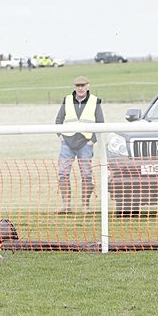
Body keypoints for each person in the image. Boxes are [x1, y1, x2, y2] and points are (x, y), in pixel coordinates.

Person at [55, 76, 105, 213]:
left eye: (83, 85)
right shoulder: (67, 100)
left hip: (85, 143)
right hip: (67, 143)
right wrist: (61, 138)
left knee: (87, 175)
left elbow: (101, 123)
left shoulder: (95, 101)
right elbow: (58, 120)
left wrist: (92, 141)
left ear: (87, 86)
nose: (80, 88)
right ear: (75, 87)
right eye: (78, 86)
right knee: (63, 173)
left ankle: (85, 206)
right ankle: (66, 205)